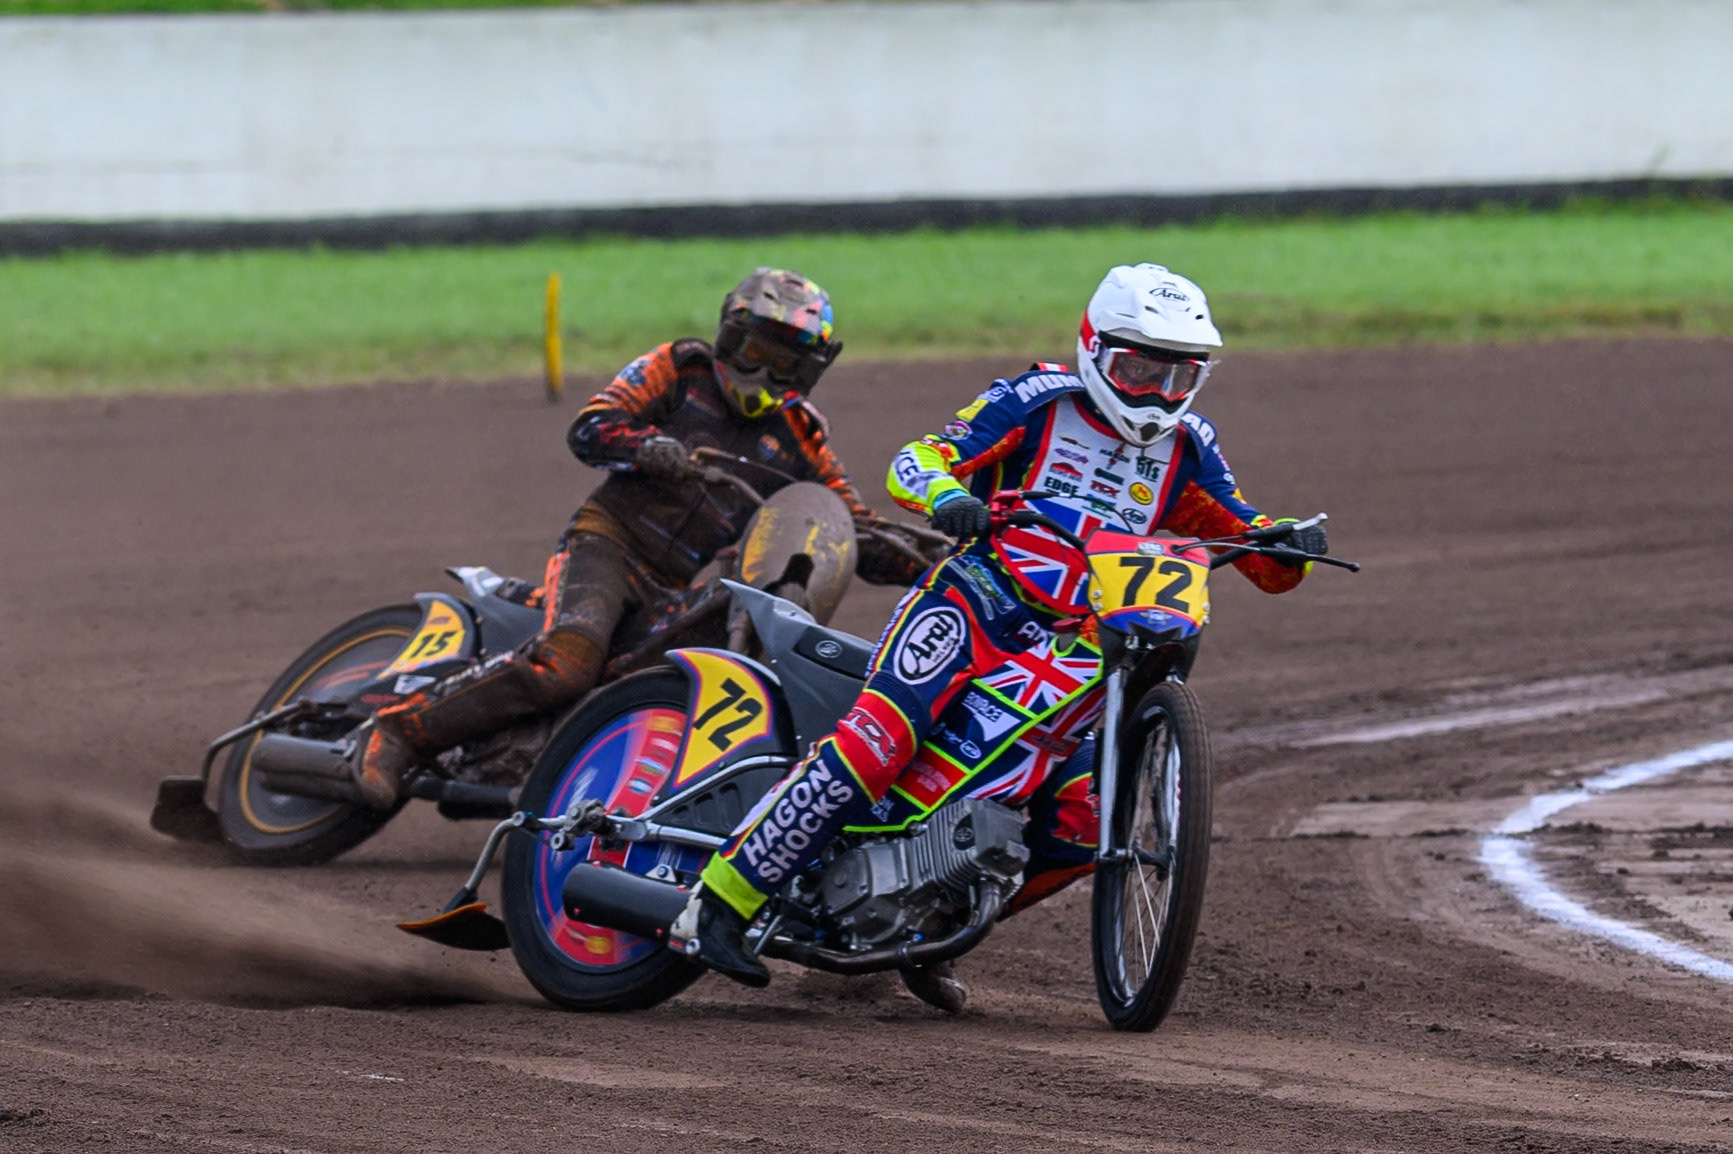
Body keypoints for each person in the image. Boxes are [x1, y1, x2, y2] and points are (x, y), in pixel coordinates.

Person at [683, 263, 1328, 1009]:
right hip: (973, 607)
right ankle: (720, 900)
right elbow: (917, 460)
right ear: (1095, 349)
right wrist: (947, 495)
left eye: (1178, 376)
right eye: (1138, 370)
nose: (1156, 392)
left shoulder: (1189, 446)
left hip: (1079, 647)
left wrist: (1283, 541)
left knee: (1084, 821)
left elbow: (1247, 540)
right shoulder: (1035, 400)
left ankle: (931, 931)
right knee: (877, 744)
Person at [351, 268, 927, 811]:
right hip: (606, 544)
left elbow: (854, 527)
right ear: (731, 337)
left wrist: (938, 560)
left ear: (808, 373)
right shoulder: (680, 370)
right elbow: (590, 426)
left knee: (661, 684)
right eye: (757, 352)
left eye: (786, 365)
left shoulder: (802, 441)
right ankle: (399, 731)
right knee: (567, 664)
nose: (766, 374)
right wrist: (644, 448)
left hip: (673, 587)